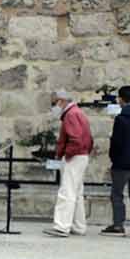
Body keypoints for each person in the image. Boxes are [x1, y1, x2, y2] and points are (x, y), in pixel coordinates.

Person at [45, 89, 95, 238]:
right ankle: (79, 226)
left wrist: (67, 154)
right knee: (77, 193)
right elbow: (88, 139)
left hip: (74, 156)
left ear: (61, 101)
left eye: (54, 103)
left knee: (67, 191)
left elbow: (76, 139)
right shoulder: (77, 112)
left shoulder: (71, 115)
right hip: (81, 155)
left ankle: (61, 226)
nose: (53, 107)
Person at [102, 85, 130, 238]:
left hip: (122, 163)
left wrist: (113, 159)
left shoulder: (121, 119)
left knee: (117, 194)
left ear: (121, 99)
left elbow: (117, 143)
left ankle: (118, 225)